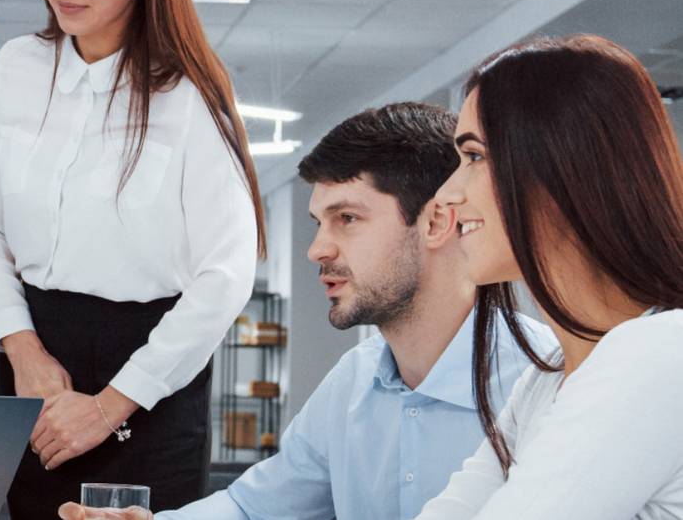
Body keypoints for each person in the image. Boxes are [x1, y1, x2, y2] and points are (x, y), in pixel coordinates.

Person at [57, 103, 556, 520]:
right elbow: (253, 509)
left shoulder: (546, 381)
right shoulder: (354, 382)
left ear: (436, 223)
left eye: (348, 219)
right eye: (320, 222)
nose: (317, 249)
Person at [0, 0, 264, 514]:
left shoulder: (190, 96)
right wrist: (21, 347)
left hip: (151, 371)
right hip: (36, 361)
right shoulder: (15, 69)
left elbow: (225, 276)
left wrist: (110, 404)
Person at [413, 35, 683, 518]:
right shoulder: (546, 379)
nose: (448, 193)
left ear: (559, 166)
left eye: (473, 157)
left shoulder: (658, 351)